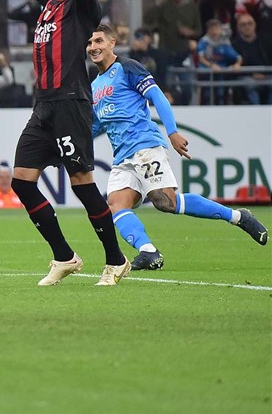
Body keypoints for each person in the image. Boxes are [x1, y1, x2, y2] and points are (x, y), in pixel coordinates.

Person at [87, 24, 267, 271]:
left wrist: (172, 131)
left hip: (144, 146)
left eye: (98, 41)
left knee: (166, 202)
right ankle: (149, 251)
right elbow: (97, 124)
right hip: (122, 156)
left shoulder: (127, 67)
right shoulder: (95, 85)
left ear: (112, 43)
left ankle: (238, 217)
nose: (93, 47)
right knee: (116, 204)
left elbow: (157, 96)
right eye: (89, 43)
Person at [12, 0, 130, 287]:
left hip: (71, 103)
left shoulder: (82, 4)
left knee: (82, 184)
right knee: (21, 182)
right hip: (44, 105)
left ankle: (116, 260)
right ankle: (64, 256)